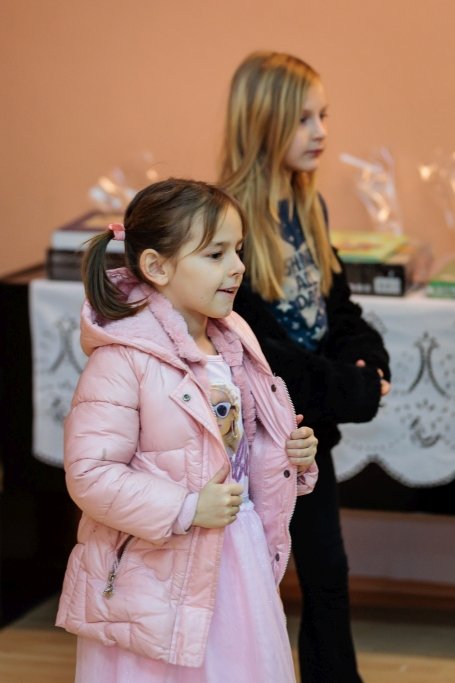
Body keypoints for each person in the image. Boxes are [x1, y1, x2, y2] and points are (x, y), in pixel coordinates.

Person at [56, 177, 319, 683]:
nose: (237, 266)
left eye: (238, 250)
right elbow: (90, 474)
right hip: (157, 575)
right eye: (216, 254)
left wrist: (288, 452)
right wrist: (186, 507)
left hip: (234, 555)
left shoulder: (232, 342)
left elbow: (237, 447)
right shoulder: (123, 359)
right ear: (157, 266)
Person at [219, 51, 391, 683]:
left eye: (324, 116)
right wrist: (348, 386)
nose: (321, 131)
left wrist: (366, 360)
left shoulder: (306, 205)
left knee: (327, 575)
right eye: (303, 119)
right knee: (253, 577)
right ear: (262, 122)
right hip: (265, 434)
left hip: (310, 431)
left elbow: (335, 308)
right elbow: (260, 348)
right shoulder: (230, 219)